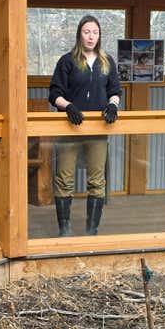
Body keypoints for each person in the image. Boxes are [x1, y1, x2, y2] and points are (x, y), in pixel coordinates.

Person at [48, 15, 121, 237]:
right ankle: (65, 229)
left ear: (99, 36)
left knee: (97, 180)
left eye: (95, 32)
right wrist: (68, 106)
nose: (91, 36)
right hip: (69, 128)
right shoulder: (67, 61)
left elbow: (115, 91)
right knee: (64, 178)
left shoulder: (107, 62)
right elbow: (54, 93)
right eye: (87, 32)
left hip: (98, 130)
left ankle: (92, 231)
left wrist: (113, 105)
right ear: (79, 34)